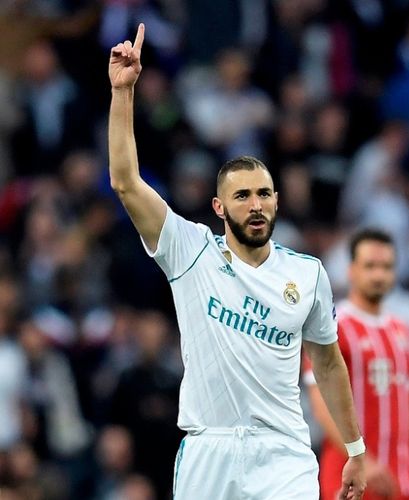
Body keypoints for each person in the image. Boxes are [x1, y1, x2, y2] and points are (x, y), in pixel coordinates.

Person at [107, 24, 366, 500]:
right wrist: (123, 94)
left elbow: (328, 364)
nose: (256, 204)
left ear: (277, 201)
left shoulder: (307, 274)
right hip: (210, 449)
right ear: (219, 207)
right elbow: (125, 182)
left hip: (284, 454)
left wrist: (354, 448)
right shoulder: (190, 251)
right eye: (242, 195)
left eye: (264, 193)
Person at [306, 229, 409, 500]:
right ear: (351, 270)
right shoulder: (332, 327)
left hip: (402, 478)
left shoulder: (402, 331)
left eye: (386, 267)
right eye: (370, 266)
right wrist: (364, 460)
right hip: (353, 477)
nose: (378, 275)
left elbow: (407, 410)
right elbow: (321, 404)